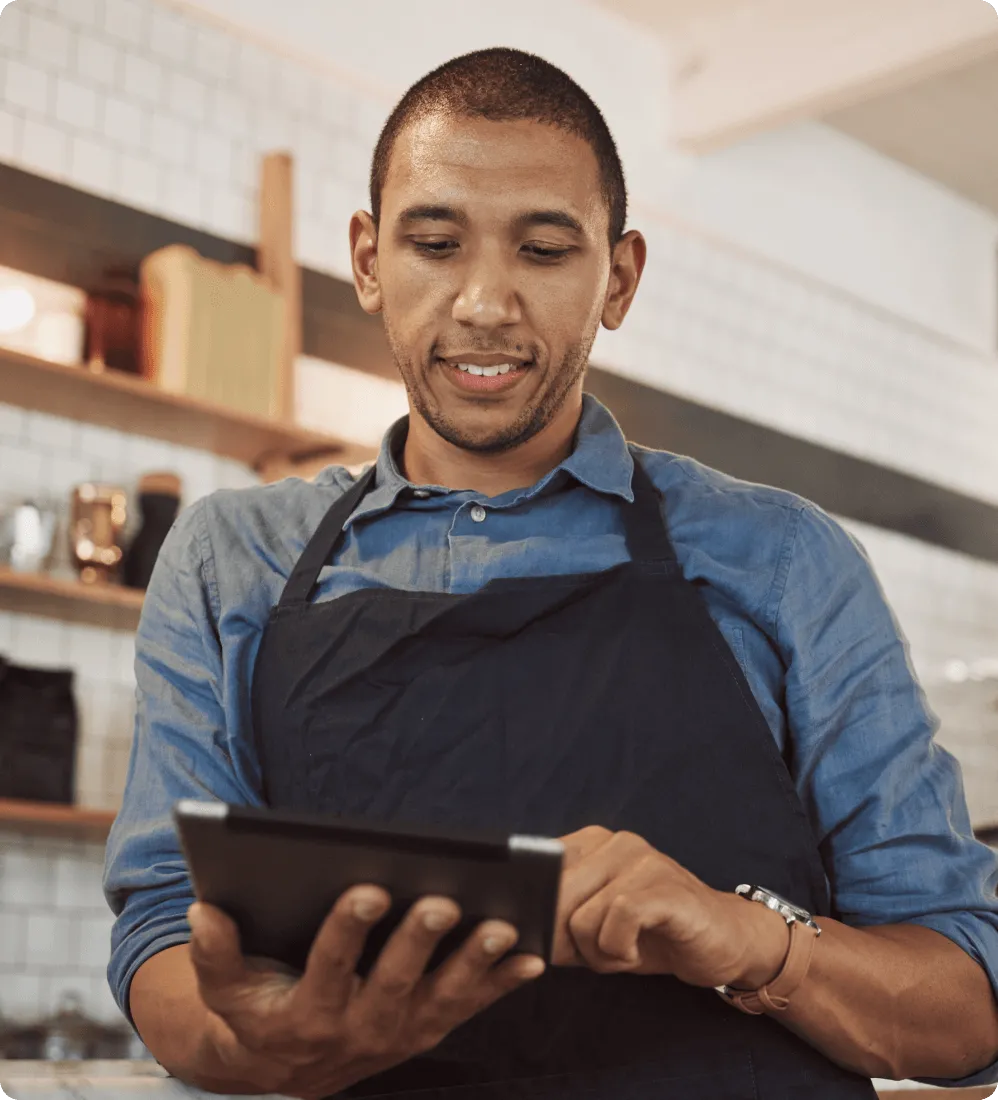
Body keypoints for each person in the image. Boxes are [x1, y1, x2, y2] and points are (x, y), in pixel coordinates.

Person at [104, 47, 998, 1100]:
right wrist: (253, 1042)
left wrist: (743, 937)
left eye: (542, 248)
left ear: (614, 278)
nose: (484, 302)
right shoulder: (228, 560)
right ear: (366, 259)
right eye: (433, 242)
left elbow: (962, 1005)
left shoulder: (786, 559)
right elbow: (164, 921)